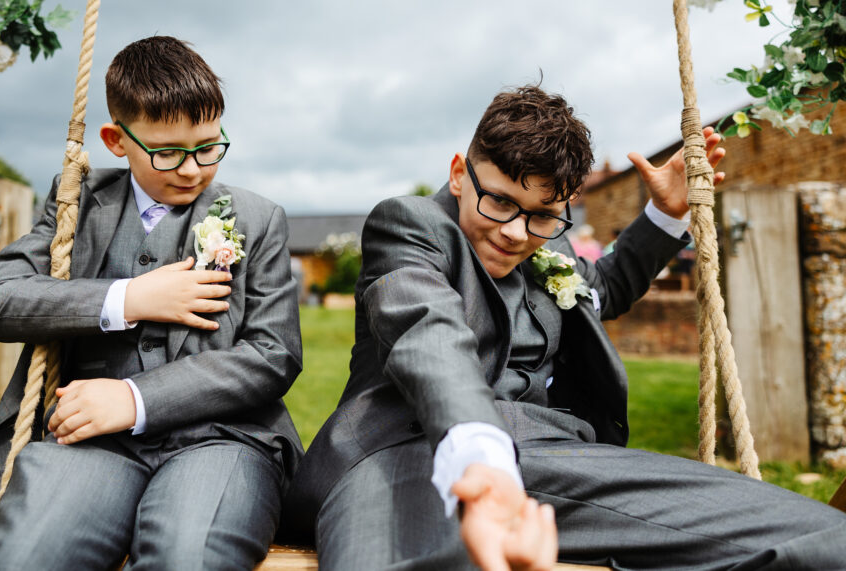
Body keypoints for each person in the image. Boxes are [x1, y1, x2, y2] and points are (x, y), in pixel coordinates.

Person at [284, 85, 846, 570]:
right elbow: (427, 332)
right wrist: (484, 460)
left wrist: (665, 214)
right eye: (499, 201)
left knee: (818, 541)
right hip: (405, 450)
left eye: (542, 214)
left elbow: (601, 289)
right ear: (459, 174)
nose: (515, 232)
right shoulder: (412, 226)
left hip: (561, 458)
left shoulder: (545, 242)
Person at [0, 36, 303, 570]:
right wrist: (131, 297)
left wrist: (133, 398)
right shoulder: (76, 202)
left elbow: (272, 354)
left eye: (209, 147)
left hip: (221, 442)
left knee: (188, 557)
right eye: (168, 152)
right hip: (91, 443)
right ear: (115, 139)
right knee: (28, 556)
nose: (193, 169)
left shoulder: (258, 219)